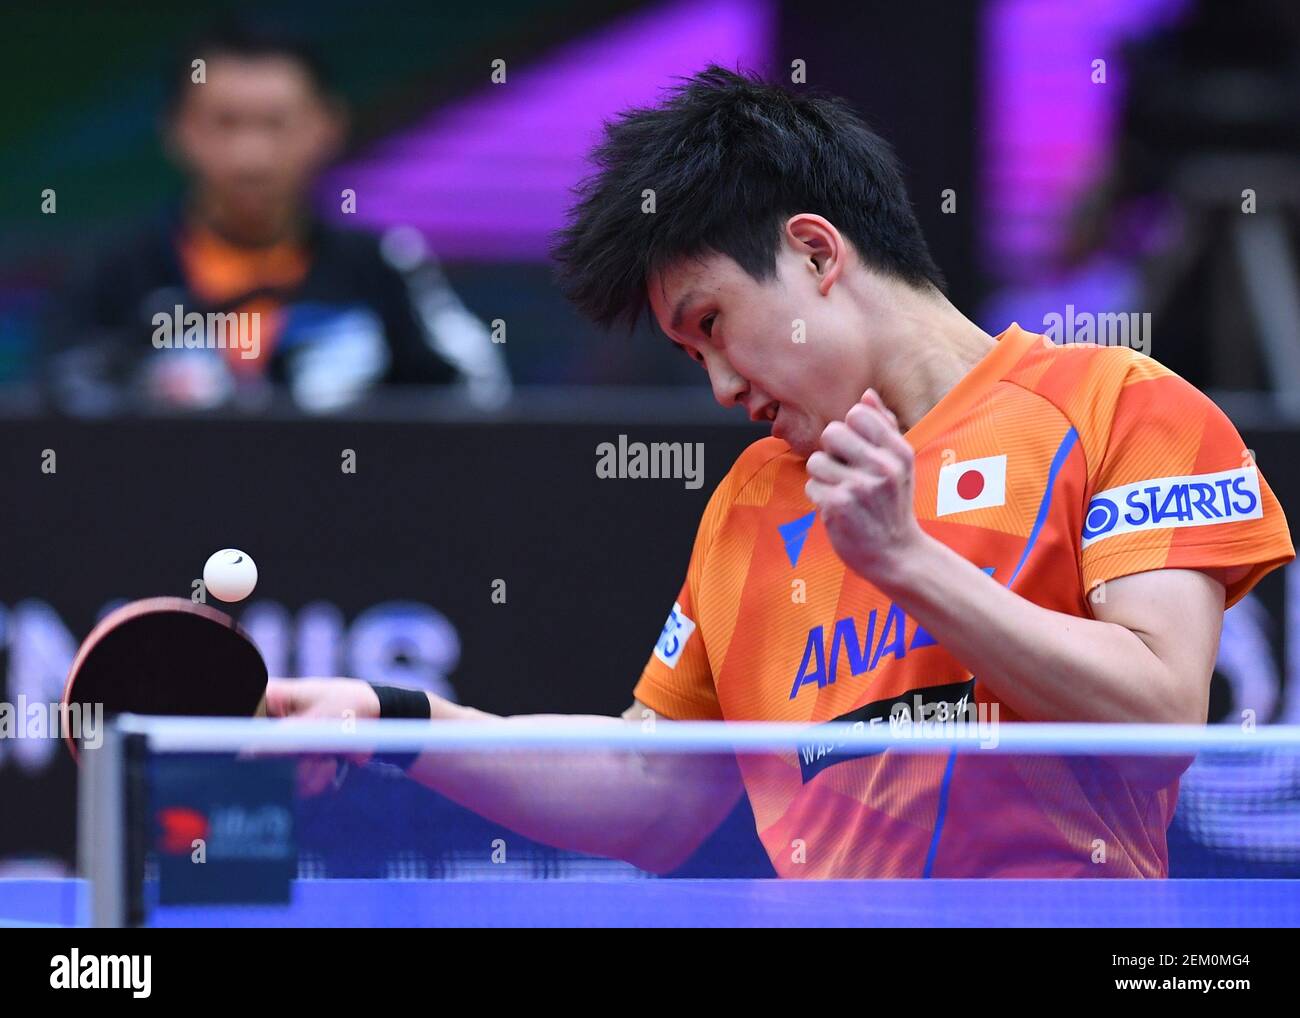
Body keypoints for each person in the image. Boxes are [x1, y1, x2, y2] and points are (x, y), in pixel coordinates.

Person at [270, 68, 1294, 878]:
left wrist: (906, 561)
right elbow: (652, 788)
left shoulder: (1119, 404)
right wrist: (398, 718)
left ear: (813, 253)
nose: (719, 386)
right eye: (689, 354)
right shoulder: (754, 498)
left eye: (711, 324)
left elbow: (1160, 715)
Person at [41, 21, 508, 415]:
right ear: (177, 129)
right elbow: (55, 410)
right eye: (225, 123)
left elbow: (480, 402)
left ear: (327, 127)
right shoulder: (114, 273)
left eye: (275, 123)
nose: (251, 157)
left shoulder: (384, 265)